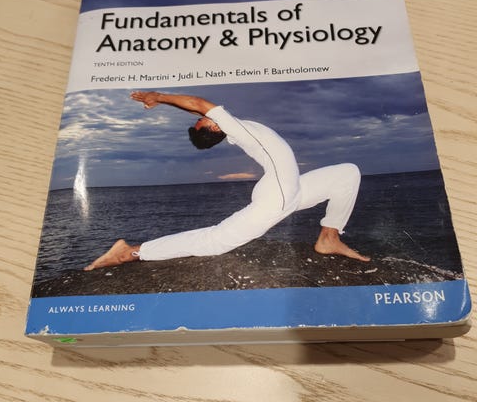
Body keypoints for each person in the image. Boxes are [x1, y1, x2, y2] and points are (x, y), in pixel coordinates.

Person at [84, 90, 369, 271]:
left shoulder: (234, 127)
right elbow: (197, 104)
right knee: (215, 241)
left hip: (292, 189)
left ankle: (329, 237)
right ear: (213, 127)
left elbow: (196, 109)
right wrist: (157, 96)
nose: (201, 116)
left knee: (347, 173)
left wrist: (164, 103)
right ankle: (131, 252)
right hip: (278, 196)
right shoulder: (233, 128)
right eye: (202, 120)